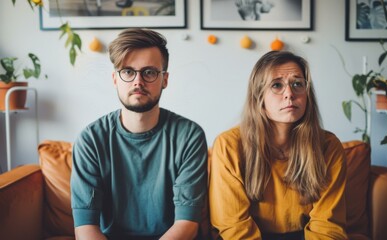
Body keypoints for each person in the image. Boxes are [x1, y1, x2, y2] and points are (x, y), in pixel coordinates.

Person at [70, 28, 208, 240]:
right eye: (127, 71)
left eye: (149, 72)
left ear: (165, 79)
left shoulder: (189, 136)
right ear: (115, 79)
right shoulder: (91, 140)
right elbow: (85, 228)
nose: (138, 82)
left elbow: (187, 224)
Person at [209, 51, 348, 239]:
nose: (289, 94)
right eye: (276, 85)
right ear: (259, 98)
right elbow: (234, 227)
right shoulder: (229, 146)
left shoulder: (329, 147)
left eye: (297, 84)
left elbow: (327, 226)